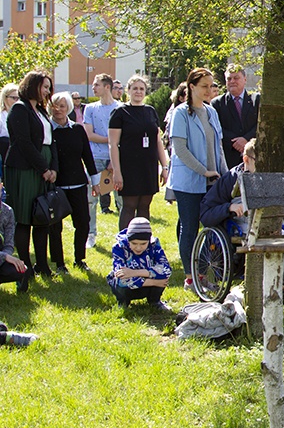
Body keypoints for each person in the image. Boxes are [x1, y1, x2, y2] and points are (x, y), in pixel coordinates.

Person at [199, 139, 284, 307]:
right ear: (246, 160)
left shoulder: (270, 178)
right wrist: (229, 207)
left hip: (270, 223)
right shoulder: (230, 179)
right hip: (239, 224)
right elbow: (206, 213)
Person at [166, 68, 227, 291]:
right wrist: (203, 171)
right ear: (191, 87)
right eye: (204, 86)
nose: (209, 90)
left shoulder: (212, 112)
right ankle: (191, 277)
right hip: (189, 181)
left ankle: (202, 272)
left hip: (213, 180)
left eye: (211, 86)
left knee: (212, 225)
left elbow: (218, 147)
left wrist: (225, 175)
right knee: (189, 228)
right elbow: (180, 148)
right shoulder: (181, 113)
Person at [5, 70, 58, 278]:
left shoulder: (42, 112)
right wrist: (43, 168)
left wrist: (54, 168)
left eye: (48, 88)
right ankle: (25, 266)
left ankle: (42, 265)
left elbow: (51, 141)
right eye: (44, 86)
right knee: (25, 217)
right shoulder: (20, 109)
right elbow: (24, 143)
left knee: (42, 217)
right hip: (25, 169)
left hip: (43, 167)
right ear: (32, 85)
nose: (47, 91)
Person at [48, 92, 100, 273]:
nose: (58, 110)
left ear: (69, 108)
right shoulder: (47, 130)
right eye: (55, 106)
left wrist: (95, 182)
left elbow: (87, 155)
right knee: (55, 227)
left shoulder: (77, 129)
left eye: (62, 106)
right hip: (56, 187)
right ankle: (59, 263)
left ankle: (80, 259)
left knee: (83, 222)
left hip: (78, 183)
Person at [109, 75, 169, 230]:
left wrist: (164, 166)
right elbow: (113, 144)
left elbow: (157, 140)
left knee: (144, 206)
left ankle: (142, 242)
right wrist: (117, 172)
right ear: (128, 91)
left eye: (142, 89)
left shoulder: (150, 111)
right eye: (135, 88)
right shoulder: (119, 113)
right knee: (129, 205)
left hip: (147, 166)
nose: (138, 92)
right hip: (129, 166)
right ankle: (124, 244)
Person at [83, 73, 121, 242]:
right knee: (91, 198)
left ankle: (124, 235)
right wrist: (112, 140)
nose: (93, 87)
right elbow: (89, 135)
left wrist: (114, 157)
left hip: (117, 158)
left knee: (121, 198)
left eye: (96, 84)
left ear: (107, 87)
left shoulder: (121, 108)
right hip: (96, 157)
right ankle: (91, 234)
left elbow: (124, 137)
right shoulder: (90, 109)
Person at [106, 217, 172, 311]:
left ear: (149, 241)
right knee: (120, 280)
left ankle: (154, 301)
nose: (138, 248)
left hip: (141, 282)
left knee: (163, 275)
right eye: (134, 243)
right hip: (128, 288)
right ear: (128, 240)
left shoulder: (154, 245)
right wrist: (154, 282)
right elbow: (121, 277)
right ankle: (123, 303)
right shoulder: (119, 247)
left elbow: (167, 270)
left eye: (143, 244)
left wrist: (134, 273)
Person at [211, 64, 260, 170]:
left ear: (245, 79)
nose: (232, 81)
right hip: (229, 158)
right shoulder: (217, 104)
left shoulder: (256, 100)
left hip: (253, 158)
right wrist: (236, 142)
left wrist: (246, 139)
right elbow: (215, 128)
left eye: (236, 78)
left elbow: (261, 125)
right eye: (229, 79)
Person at [0, 189, 29, 293]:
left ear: (1, 186)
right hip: (2, 256)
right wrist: (6, 257)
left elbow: (9, 245)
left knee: (21, 270)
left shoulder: (7, 211)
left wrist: (4, 257)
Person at [0, 83, 20, 164]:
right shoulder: (1, 116)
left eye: (19, 98)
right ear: (5, 98)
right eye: (14, 98)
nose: (17, 101)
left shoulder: (21, 116)